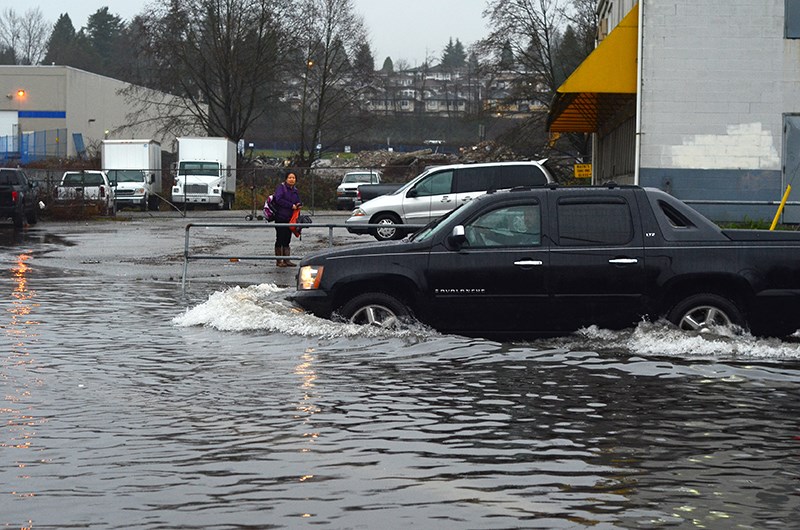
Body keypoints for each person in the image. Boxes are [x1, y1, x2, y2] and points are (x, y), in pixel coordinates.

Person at [272, 172, 302, 267]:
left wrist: (298, 204)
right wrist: (290, 206)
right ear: (286, 179)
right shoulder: (281, 188)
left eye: (293, 178)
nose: (292, 179)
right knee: (280, 238)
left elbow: (297, 200)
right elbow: (278, 199)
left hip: (290, 218)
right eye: (290, 177)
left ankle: (286, 260)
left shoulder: (295, 190)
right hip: (281, 217)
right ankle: (279, 260)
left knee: (287, 239)